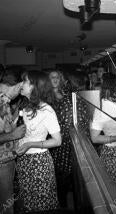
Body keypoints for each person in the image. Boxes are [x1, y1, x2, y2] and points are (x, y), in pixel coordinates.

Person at [15, 70, 62, 212]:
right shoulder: (24, 105)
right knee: (28, 203)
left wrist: (30, 144)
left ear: (35, 86)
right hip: (24, 160)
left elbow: (57, 141)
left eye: (26, 81)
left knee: (42, 204)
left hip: (39, 162)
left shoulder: (46, 110)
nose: (21, 84)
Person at [48, 69, 90, 207]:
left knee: (64, 186)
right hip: (73, 148)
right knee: (72, 186)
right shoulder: (79, 98)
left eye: (59, 78)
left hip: (65, 149)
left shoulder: (68, 100)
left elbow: (65, 128)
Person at [0, 81, 26, 214]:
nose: (6, 98)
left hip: (8, 159)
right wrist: (12, 135)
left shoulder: (5, 106)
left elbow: (7, 127)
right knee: (6, 205)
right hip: (2, 164)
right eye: (3, 95)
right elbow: (8, 134)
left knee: (7, 201)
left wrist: (15, 128)